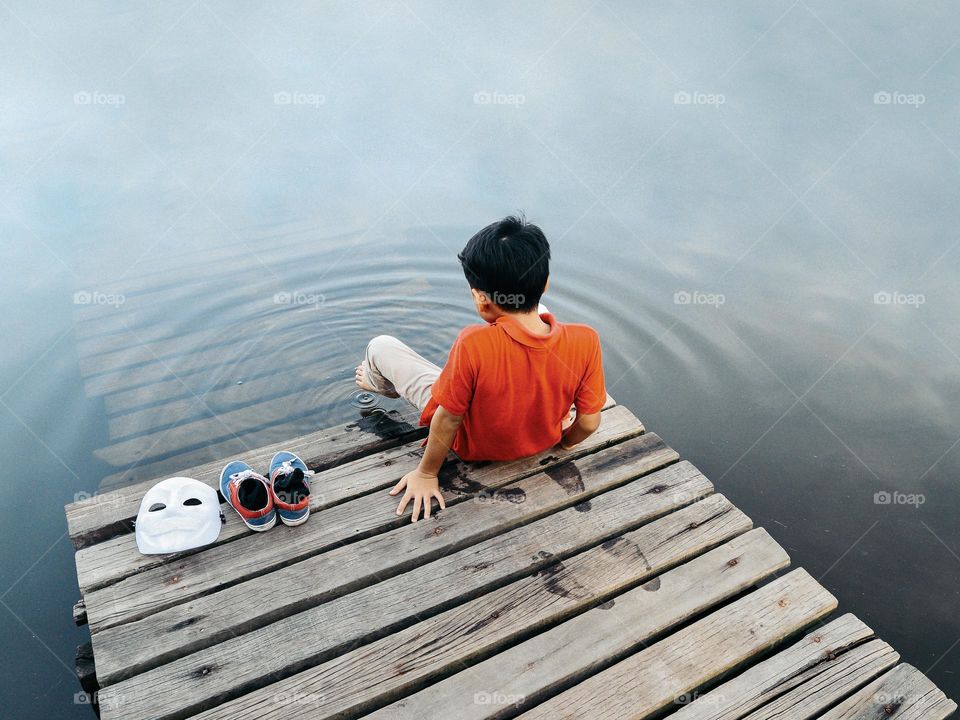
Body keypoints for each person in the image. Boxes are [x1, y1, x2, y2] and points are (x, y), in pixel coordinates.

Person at [355, 215, 606, 522]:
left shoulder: (473, 343)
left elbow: (447, 419)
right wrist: (562, 443)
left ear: (481, 299)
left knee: (381, 346)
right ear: (546, 282)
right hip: (541, 439)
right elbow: (590, 424)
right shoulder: (586, 339)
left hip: (472, 445)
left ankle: (379, 383)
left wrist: (426, 472)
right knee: (540, 314)